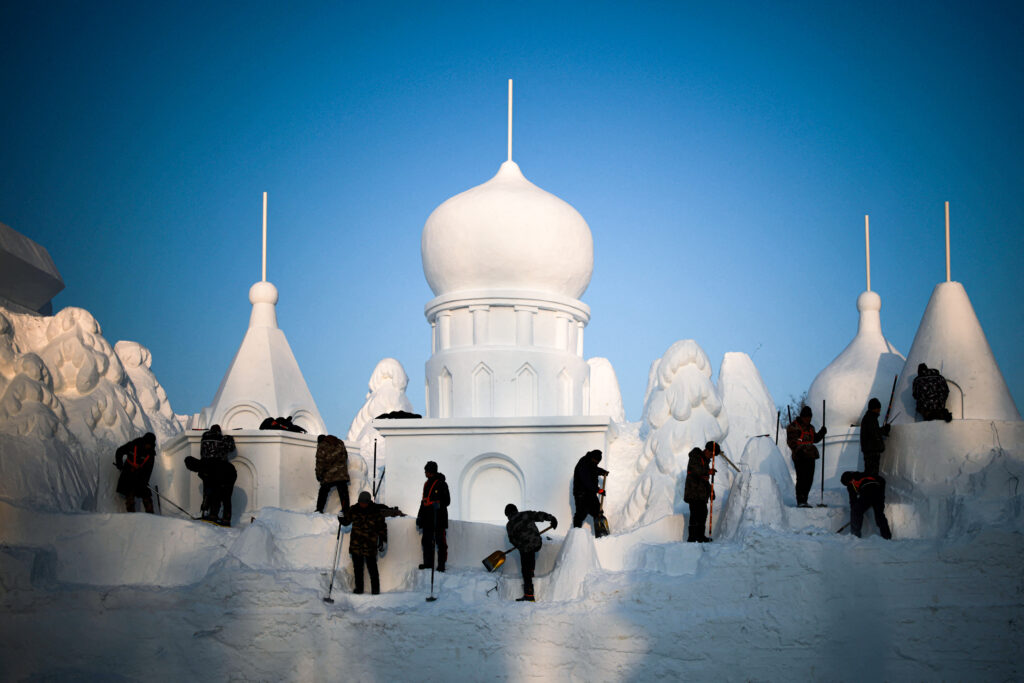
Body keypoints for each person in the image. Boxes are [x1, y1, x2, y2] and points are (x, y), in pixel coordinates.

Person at [504, 504, 557, 602]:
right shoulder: (525, 514)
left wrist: (519, 544)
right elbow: (539, 515)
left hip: (525, 547)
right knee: (530, 551)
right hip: (537, 542)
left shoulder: (509, 525)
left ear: (507, 515)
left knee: (525, 568)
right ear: (516, 510)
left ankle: (529, 595)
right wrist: (551, 518)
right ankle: (531, 571)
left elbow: (512, 540)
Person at [343, 491, 389, 595]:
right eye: (360, 502)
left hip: (370, 545)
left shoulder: (375, 511)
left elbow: (382, 526)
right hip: (356, 545)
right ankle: (359, 589)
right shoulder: (354, 509)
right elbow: (346, 521)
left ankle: (375, 590)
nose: (362, 504)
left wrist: (383, 539)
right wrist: (341, 518)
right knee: (358, 569)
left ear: (368, 502)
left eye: (364, 502)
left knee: (372, 568)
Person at [786, 406, 827, 507]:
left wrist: (822, 433)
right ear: (802, 417)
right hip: (800, 456)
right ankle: (800, 500)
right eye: (807, 417)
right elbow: (791, 442)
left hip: (810, 456)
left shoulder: (811, 428)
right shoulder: (793, 426)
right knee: (802, 478)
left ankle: (805, 499)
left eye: (810, 417)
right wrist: (798, 451)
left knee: (809, 478)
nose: (808, 419)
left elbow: (815, 439)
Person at [683, 441, 721, 542]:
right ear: (707, 450)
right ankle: (692, 538)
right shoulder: (695, 456)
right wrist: (708, 471)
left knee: (703, 514)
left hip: (701, 495)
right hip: (694, 492)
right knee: (695, 515)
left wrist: (711, 491)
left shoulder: (705, 462)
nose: (711, 457)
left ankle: (700, 537)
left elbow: (705, 480)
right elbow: (696, 470)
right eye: (711, 454)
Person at [184, 455, 238, 526]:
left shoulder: (206, 464)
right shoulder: (201, 472)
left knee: (225, 496)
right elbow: (207, 487)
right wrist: (205, 502)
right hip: (219, 476)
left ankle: (226, 519)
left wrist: (208, 498)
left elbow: (214, 484)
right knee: (215, 494)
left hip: (229, 473)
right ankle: (213, 515)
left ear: (194, 465)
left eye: (191, 468)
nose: (192, 471)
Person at [416, 461, 450, 572]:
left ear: (431, 472)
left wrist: (436, 503)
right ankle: (428, 563)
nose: (425, 473)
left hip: (438, 517)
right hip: (427, 518)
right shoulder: (426, 484)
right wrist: (420, 516)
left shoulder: (442, 483)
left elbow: (447, 501)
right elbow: (424, 501)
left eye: (426, 471)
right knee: (426, 541)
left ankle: (441, 565)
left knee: (440, 542)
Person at [840, 471, 893, 539]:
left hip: (875, 492)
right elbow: (853, 501)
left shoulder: (862, 475)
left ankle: (887, 537)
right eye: (849, 483)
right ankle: (855, 536)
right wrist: (855, 517)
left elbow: (882, 481)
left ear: (852, 477)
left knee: (879, 515)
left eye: (851, 480)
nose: (851, 482)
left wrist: (881, 493)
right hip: (868, 495)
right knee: (856, 511)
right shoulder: (850, 486)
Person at [114, 432, 157, 513]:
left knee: (147, 495)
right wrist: (119, 464)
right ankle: (132, 517)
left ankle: (151, 516)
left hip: (140, 476)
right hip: (128, 473)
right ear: (145, 441)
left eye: (150, 444)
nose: (149, 446)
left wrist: (145, 480)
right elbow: (119, 451)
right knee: (129, 493)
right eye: (148, 444)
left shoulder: (151, 453)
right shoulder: (133, 445)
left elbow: (149, 469)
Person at [572, 449, 609, 536]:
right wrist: (599, 490)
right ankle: (575, 536)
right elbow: (586, 481)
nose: (597, 463)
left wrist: (602, 471)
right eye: (596, 461)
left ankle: (601, 534)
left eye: (598, 462)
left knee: (598, 511)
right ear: (593, 458)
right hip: (581, 494)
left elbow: (594, 469)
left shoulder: (591, 462)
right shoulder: (583, 463)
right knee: (580, 515)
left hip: (590, 493)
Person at [315, 434, 350, 518]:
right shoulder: (340, 442)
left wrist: (319, 474)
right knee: (343, 492)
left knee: (323, 491)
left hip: (329, 475)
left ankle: (319, 509)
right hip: (341, 473)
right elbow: (345, 455)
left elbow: (320, 462)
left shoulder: (322, 445)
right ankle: (346, 510)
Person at [860, 397, 891, 475]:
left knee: (870, 473)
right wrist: (885, 430)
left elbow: (873, 431)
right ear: (874, 408)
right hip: (871, 452)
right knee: (872, 474)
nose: (879, 410)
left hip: (870, 451)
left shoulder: (869, 418)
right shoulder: (870, 418)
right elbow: (874, 433)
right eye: (878, 408)